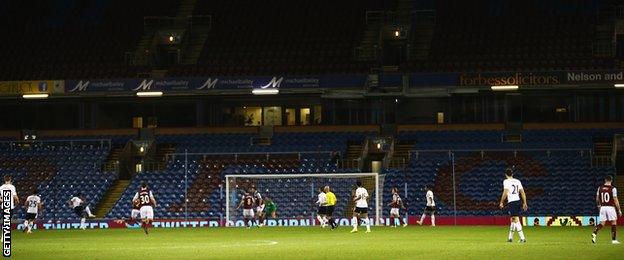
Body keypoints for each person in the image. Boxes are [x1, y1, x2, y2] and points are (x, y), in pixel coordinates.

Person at [499, 168, 528, 243]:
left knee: (515, 219)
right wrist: (525, 202)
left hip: (512, 202)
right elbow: (522, 192)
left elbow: (505, 192)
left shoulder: (506, 181)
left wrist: (501, 202)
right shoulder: (518, 181)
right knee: (512, 219)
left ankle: (522, 238)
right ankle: (510, 238)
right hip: (518, 201)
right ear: (512, 174)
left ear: (505, 174)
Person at [592, 175, 622, 244]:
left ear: (605, 180)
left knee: (602, 223)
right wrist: (619, 210)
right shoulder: (613, 188)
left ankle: (594, 232)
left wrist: (598, 205)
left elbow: (597, 198)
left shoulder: (600, 188)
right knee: (613, 222)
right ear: (611, 180)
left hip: (602, 207)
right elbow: (615, 200)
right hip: (610, 207)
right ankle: (614, 240)